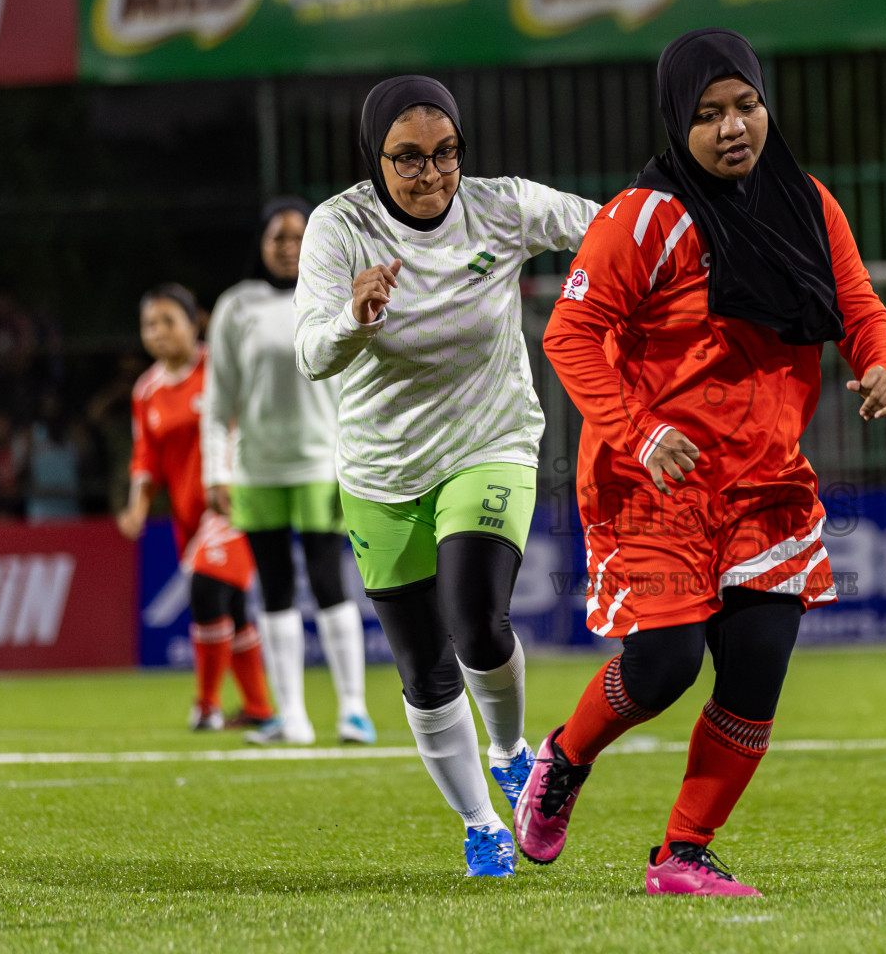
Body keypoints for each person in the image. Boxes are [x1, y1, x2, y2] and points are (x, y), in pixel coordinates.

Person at [514, 28, 886, 896]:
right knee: (665, 665)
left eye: (747, 105)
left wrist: (881, 362)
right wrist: (641, 432)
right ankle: (565, 760)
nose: (733, 127)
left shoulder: (807, 202)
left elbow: (856, 303)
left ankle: (682, 855)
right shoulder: (642, 217)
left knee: (757, 671)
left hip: (767, 485)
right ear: (676, 122)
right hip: (651, 483)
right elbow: (569, 334)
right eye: (708, 114)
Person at [294, 75, 601, 877]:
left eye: (445, 153)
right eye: (408, 158)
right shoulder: (338, 226)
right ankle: (479, 823)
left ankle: (511, 751)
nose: (430, 174)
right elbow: (311, 355)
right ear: (375, 157)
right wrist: (353, 317)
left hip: (489, 441)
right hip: (381, 469)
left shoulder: (502, 206)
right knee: (424, 668)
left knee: (476, 618)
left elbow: (611, 231)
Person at [203, 198, 375, 746]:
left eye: (298, 236)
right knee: (274, 588)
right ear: (261, 244)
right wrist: (215, 472)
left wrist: (358, 458)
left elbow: (358, 386)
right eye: (277, 237)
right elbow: (217, 399)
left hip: (322, 463)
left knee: (328, 582)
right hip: (256, 470)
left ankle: (353, 711)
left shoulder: (333, 296)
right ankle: (293, 718)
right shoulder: (237, 306)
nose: (288, 247)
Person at [118, 284, 275, 733]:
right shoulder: (146, 390)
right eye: (150, 324)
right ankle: (259, 708)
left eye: (169, 321)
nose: (158, 331)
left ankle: (206, 706)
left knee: (206, 590)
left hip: (234, 502)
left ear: (195, 324)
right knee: (233, 605)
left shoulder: (221, 368)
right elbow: (145, 458)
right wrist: (136, 507)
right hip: (187, 516)